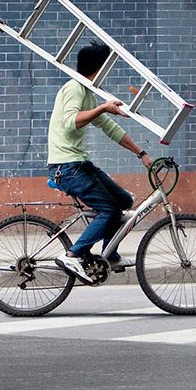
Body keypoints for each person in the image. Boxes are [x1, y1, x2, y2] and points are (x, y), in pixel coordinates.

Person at [48, 40, 153, 281]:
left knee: (124, 200)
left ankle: (109, 254)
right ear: (98, 67)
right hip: (66, 166)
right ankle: (74, 254)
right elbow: (71, 121)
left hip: (78, 164)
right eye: (106, 66)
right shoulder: (74, 88)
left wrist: (142, 154)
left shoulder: (86, 91)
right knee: (110, 210)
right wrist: (103, 108)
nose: (108, 72)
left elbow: (109, 127)